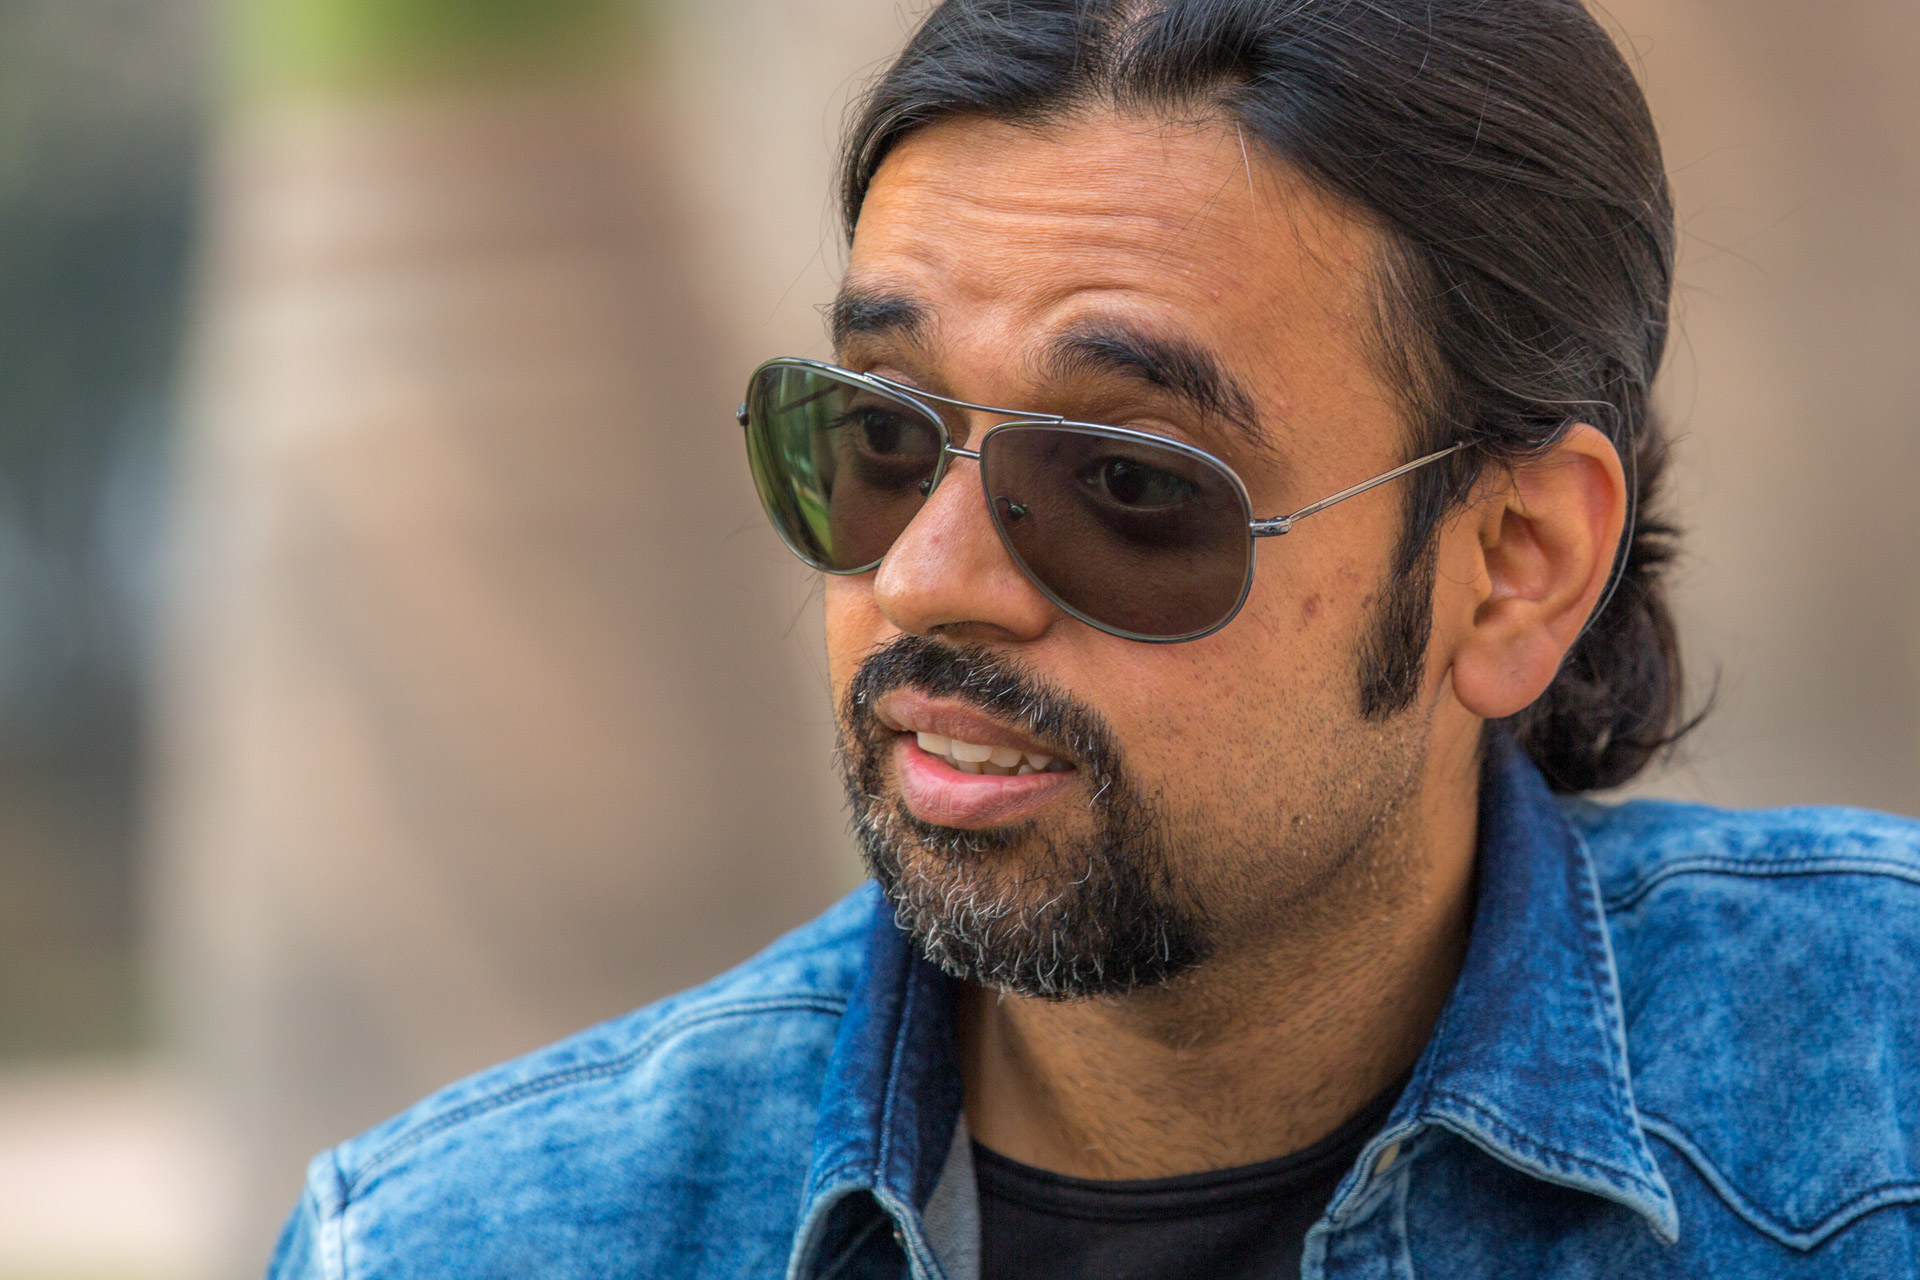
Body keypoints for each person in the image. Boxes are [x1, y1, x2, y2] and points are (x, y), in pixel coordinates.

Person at [264, 1, 1920, 1276]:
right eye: (881, 436)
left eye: (1131, 484)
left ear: (1514, 568)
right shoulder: (446, 1245)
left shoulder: (1880, 1095)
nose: (928, 580)